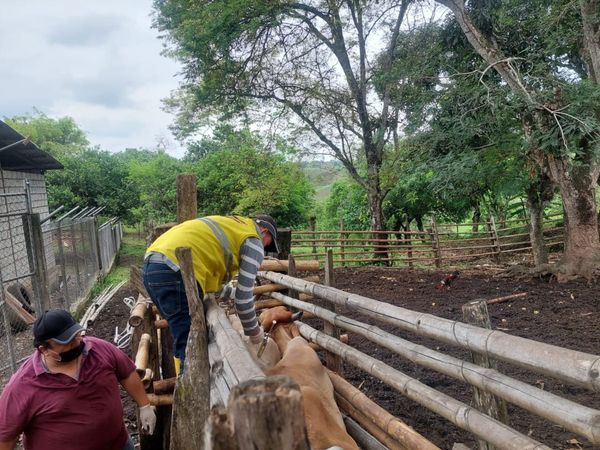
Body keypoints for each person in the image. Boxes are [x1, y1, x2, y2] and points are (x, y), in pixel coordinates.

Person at [0, 309, 156, 450]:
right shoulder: (22, 386)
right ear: (44, 349)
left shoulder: (99, 349)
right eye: (67, 342)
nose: (77, 342)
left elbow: (126, 372)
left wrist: (144, 405)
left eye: (76, 336)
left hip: (119, 444)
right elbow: (5, 436)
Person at [143, 214, 280, 374]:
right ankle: (189, 394)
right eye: (268, 244)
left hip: (152, 266)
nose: (264, 249)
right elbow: (243, 302)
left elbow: (212, 280)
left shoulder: (234, 226)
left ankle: (182, 387)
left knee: (183, 336)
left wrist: (233, 293)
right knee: (191, 345)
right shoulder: (254, 241)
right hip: (174, 270)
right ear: (264, 231)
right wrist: (256, 336)